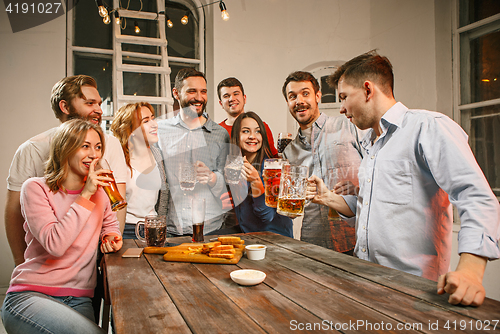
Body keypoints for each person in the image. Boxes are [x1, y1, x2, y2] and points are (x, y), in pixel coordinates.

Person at [307, 51, 500, 306]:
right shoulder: (370, 144)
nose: (341, 108)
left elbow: (476, 196)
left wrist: (471, 271)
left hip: (415, 292)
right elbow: (371, 207)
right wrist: (328, 198)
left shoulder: (427, 127)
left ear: (367, 90)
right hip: (367, 282)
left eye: (343, 97)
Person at [1, 119, 122, 333]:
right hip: (31, 296)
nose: (94, 154)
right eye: (85, 146)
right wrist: (86, 195)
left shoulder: (101, 194)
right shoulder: (36, 188)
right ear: (65, 148)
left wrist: (110, 238)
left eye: (98, 147)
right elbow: (55, 244)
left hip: (79, 299)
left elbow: (110, 226)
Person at [5, 75, 128, 267]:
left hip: (91, 262)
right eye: (89, 103)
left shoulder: (110, 144)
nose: (98, 110)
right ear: (65, 107)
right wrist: (21, 262)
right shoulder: (32, 149)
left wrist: (109, 252)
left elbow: (115, 204)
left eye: (99, 103)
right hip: (47, 258)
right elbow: (14, 210)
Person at [282, 71, 363, 253]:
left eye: (305, 93)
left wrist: (358, 189)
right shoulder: (290, 151)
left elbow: (375, 171)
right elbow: (290, 210)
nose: (299, 101)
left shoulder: (348, 126)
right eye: (292, 96)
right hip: (313, 242)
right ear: (288, 103)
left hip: (354, 238)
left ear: (317, 96)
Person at [157, 68, 230, 236]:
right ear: (176, 93)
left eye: (203, 91)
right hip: (171, 230)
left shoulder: (220, 134)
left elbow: (228, 185)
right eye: (192, 91)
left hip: (211, 230)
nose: (199, 97)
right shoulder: (160, 131)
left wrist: (212, 177)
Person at [228, 112, 293, 237]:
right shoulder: (235, 166)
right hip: (249, 237)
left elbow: (266, 216)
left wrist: (256, 181)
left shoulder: (271, 169)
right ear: (236, 136)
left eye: (257, 132)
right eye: (246, 131)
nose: (253, 136)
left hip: (276, 239)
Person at [110, 102, 169, 239]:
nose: (154, 124)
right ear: (131, 130)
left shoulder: (158, 155)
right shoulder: (118, 158)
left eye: (153, 118)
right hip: (125, 230)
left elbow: (163, 200)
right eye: (146, 121)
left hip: (153, 229)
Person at [217, 77, 278, 156]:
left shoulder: (261, 127)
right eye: (226, 96)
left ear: (244, 98)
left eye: (236, 94)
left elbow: (273, 159)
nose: (232, 98)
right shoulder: (217, 132)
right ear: (221, 103)